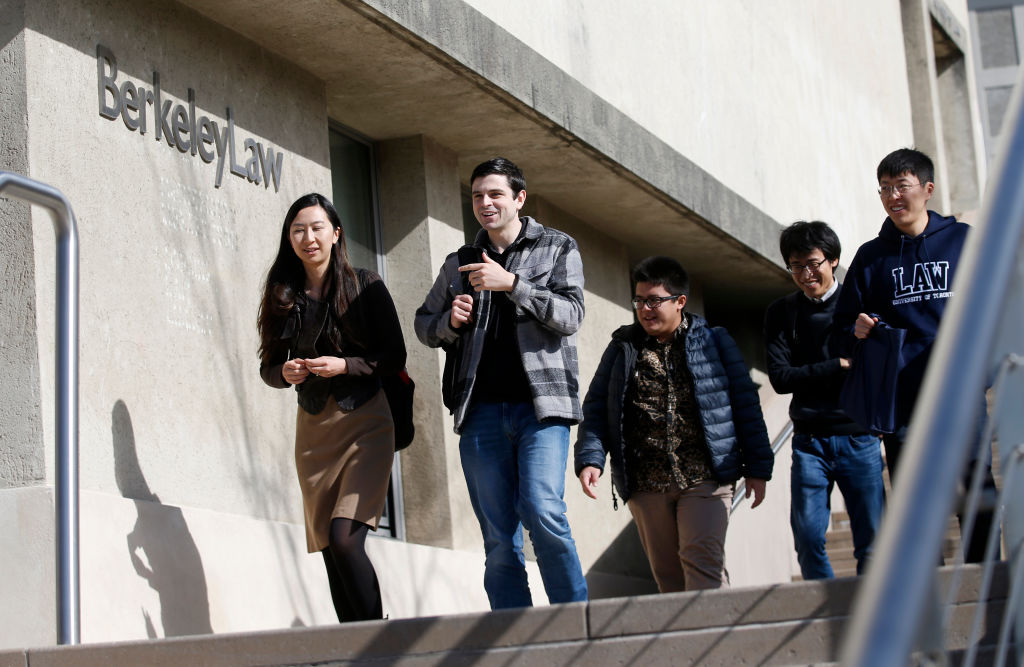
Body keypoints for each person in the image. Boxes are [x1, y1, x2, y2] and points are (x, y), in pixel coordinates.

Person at [414, 157, 588, 609]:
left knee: (544, 512)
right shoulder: (461, 262)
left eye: (495, 194)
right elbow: (423, 324)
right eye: (477, 196)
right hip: (480, 413)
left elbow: (572, 316)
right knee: (497, 536)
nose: (485, 203)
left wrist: (513, 284)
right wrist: (449, 321)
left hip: (541, 409)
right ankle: (515, 636)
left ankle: (576, 621)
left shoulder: (557, 247)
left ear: (519, 198)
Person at [574, 256, 774, 592]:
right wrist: (591, 459)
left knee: (702, 565)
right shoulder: (623, 346)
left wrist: (758, 466)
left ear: (680, 301)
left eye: (654, 300)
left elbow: (745, 406)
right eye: (639, 301)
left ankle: (718, 641)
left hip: (706, 476)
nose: (645, 309)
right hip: (646, 483)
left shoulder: (714, 341)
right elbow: (596, 407)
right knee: (668, 578)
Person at [834, 148, 995, 562]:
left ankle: (986, 582)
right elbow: (841, 329)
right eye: (885, 189)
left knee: (977, 487)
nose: (892, 196)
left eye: (901, 186)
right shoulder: (871, 257)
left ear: (927, 189)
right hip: (902, 399)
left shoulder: (964, 242)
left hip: (960, 391)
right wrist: (857, 331)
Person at [257, 193, 406, 622]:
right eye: (298, 230)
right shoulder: (283, 295)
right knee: (329, 548)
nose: (308, 238)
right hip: (314, 432)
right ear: (290, 238)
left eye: (317, 228)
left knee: (345, 538)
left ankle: (380, 641)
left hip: (366, 423)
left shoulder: (366, 284)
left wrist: (344, 364)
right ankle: (353, 646)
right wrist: (284, 374)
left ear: (336, 233)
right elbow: (268, 366)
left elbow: (394, 356)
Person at [764, 221, 885, 579]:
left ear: (832, 260)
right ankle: (828, 612)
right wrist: (837, 365)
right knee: (807, 536)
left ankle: (868, 616)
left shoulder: (859, 303)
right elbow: (781, 378)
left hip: (860, 435)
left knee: (873, 541)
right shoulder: (781, 313)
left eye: (813, 263)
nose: (805, 273)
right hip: (809, 440)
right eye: (796, 266)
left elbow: (876, 365)